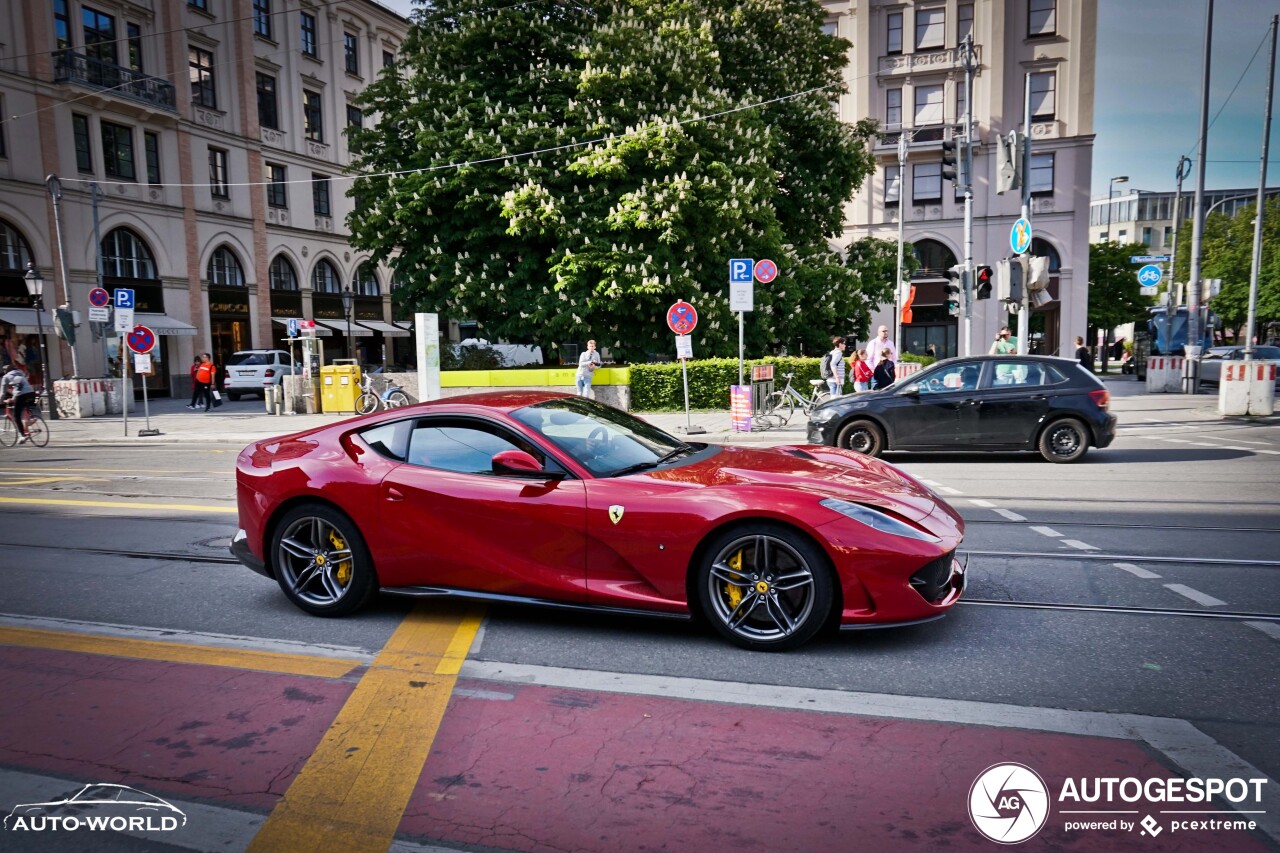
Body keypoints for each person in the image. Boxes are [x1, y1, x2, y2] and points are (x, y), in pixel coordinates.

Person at [1, 363, 37, 443]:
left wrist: (1, 401)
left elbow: (3, 392)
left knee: (16, 416)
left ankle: (23, 436)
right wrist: (14, 398)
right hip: (31, 392)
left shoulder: (5, 377)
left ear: (5, 371)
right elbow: (20, 386)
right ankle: (29, 419)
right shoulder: (20, 372)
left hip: (21, 395)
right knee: (24, 404)